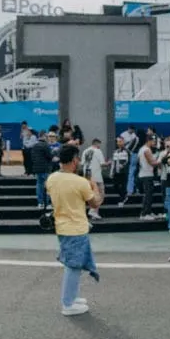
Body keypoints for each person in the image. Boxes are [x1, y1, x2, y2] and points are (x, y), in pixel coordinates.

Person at [46, 144, 104, 316]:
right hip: (76, 229)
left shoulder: (52, 178)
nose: (78, 161)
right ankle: (68, 304)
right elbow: (95, 203)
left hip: (62, 227)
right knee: (74, 267)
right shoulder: (80, 182)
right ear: (73, 160)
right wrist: (94, 187)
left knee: (73, 264)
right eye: (77, 158)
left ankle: (72, 296)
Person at [28, 132, 54, 209]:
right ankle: (48, 203)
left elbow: (32, 157)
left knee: (39, 186)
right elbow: (50, 156)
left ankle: (40, 203)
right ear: (43, 136)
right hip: (46, 168)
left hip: (37, 168)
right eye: (46, 136)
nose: (47, 138)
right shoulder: (46, 145)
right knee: (48, 186)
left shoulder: (34, 146)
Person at [136, 134, 158, 220]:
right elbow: (153, 163)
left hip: (143, 174)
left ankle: (148, 211)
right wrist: (162, 159)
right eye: (154, 141)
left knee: (148, 194)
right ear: (149, 141)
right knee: (148, 195)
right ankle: (144, 214)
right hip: (147, 175)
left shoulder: (141, 149)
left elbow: (139, 162)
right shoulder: (147, 150)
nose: (154, 143)